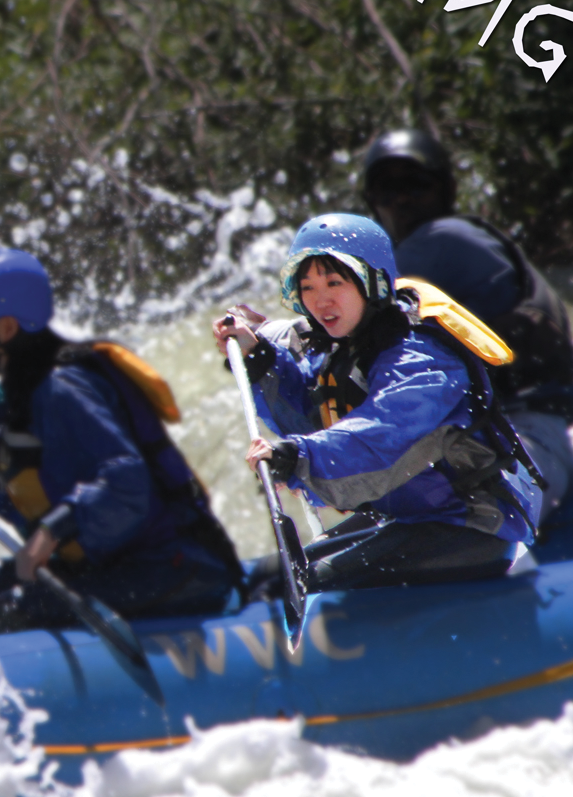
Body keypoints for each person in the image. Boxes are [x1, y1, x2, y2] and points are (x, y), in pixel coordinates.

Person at [0, 246, 241, 634]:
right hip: (118, 564)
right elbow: (43, 495)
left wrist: (53, 531)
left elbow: (126, 480)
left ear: (5, 329)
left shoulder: (63, 387)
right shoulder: (25, 393)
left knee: (13, 610)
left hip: (170, 566)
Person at [212, 214, 541, 592]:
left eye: (335, 282)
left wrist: (298, 456)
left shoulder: (420, 359)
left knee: (291, 587)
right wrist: (261, 359)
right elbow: (311, 416)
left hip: (469, 526)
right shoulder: (347, 345)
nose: (321, 299)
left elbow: (381, 435)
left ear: (372, 283)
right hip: (410, 516)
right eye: (308, 286)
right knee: (263, 577)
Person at [359, 128, 573, 521]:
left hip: (523, 441)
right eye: (386, 188)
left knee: (459, 524)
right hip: (506, 441)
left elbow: (347, 325)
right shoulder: (454, 244)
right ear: (372, 202)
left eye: (416, 183)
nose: (401, 199)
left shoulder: (442, 240)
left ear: (445, 189)